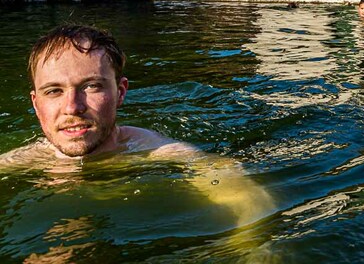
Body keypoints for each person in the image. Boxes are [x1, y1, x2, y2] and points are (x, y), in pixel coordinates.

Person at [0, 24, 272, 224]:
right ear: (36, 104)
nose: (72, 107)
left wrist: (254, 245)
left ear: (120, 93)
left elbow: (234, 187)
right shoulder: (22, 160)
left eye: (91, 86)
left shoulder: (152, 151)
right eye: (54, 91)